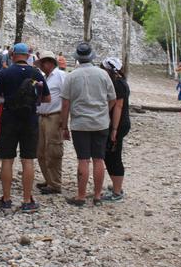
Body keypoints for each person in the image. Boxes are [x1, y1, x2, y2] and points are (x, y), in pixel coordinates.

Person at [0, 43, 50, 213]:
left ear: (13, 55)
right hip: (30, 119)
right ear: (29, 55)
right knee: (28, 160)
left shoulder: (6, 73)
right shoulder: (36, 73)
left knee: (7, 159)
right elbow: (47, 99)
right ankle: (26, 200)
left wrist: (5, 98)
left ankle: (6, 199)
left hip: (9, 118)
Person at [59, 42, 116, 206]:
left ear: (77, 58)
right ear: (91, 57)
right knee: (99, 159)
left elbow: (65, 104)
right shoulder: (103, 75)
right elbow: (112, 99)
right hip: (100, 122)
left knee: (83, 160)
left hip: (80, 123)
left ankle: (81, 195)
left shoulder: (71, 76)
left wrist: (64, 126)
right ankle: (97, 195)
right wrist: (104, 111)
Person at [100, 57, 130, 202]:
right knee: (110, 155)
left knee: (113, 156)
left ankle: (117, 192)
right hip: (119, 123)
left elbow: (118, 107)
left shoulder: (117, 84)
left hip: (118, 124)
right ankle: (116, 185)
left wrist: (114, 130)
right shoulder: (121, 81)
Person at [36, 50, 65, 195]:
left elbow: (67, 97)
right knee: (41, 151)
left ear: (48, 63)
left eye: (42, 63)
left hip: (54, 116)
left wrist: (63, 119)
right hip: (42, 115)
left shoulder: (60, 76)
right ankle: (48, 179)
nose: (40, 66)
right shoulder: (44, 77)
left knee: (53, 150)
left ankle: (55, 183)